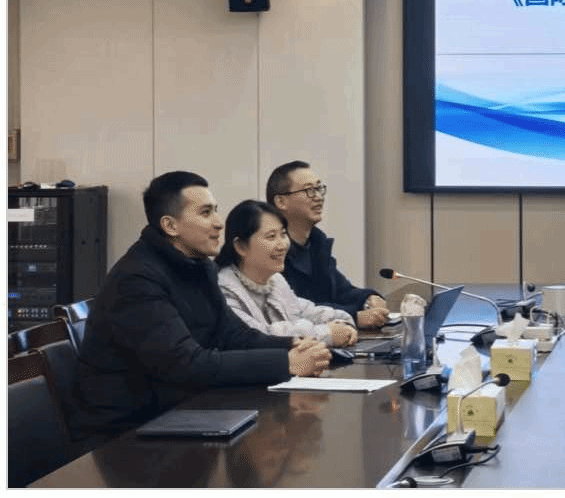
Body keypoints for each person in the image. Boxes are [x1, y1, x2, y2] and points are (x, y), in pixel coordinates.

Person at [70, 171, 332, 441]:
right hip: (126, 435)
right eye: (206, 213)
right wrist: (286, 362)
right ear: (171, 226)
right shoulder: (137, 280)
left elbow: (233, 335)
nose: (219, 223)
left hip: (182, 413)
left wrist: (293, 345)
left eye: (215, 210)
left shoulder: (200, 266)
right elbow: (186, 364)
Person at [216, 199, 359, 347]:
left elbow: (305, 311)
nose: (283, 245)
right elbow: (259, 337)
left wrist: (343, 323)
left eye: (283, 234)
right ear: (240, 246)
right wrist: (326, 334)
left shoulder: (275, 280)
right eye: (271, 237)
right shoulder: (224, 290)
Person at [266, 160, 389, 328]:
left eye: (319, 188)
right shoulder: (272, 252)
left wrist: (368, 299)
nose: (318, 197)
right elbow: (297, 308)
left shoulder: (317, 242)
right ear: (281, 202)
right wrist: (353, 316)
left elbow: (341, 291)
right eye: (309, 190)